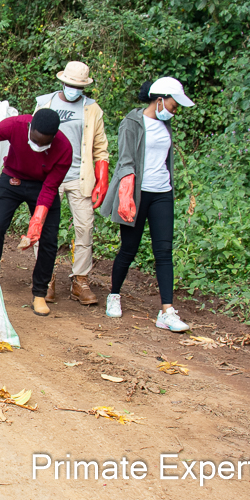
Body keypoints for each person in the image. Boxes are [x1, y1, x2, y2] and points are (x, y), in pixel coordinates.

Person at [100, 78, 194, 332]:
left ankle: (167, 311)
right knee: (128, 249)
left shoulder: (165, 124)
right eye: (173, 106)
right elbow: (126, 160)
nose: (175, 112)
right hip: (137, 193)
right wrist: (126, 197)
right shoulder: (131, 123)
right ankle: (114, 294)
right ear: (160, 99)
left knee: (164, 252)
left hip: (162, 192)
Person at [0, 109, 73, 317]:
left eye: (44, 144)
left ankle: (40, 292)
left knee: (48, 239)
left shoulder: (64, 148)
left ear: (54, 137)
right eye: (35, 141)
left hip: (43, 185)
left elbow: (50, 188)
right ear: (30, 128)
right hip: (12, 179)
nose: (38, 147)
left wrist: (38, 220)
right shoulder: (15, 125)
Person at [32, 61, 110, 305]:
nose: (72, 89)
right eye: (69, 84)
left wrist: (102, 178)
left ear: (84, 86)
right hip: (49, 175)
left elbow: (100, 146)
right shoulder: (45, 103)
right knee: (43, 227)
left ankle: (80, 280)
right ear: (62, 82)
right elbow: (32, 139)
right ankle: (46, 278)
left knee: (85, 227)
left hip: (79, 175)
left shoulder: (92, 109)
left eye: (78, 86)